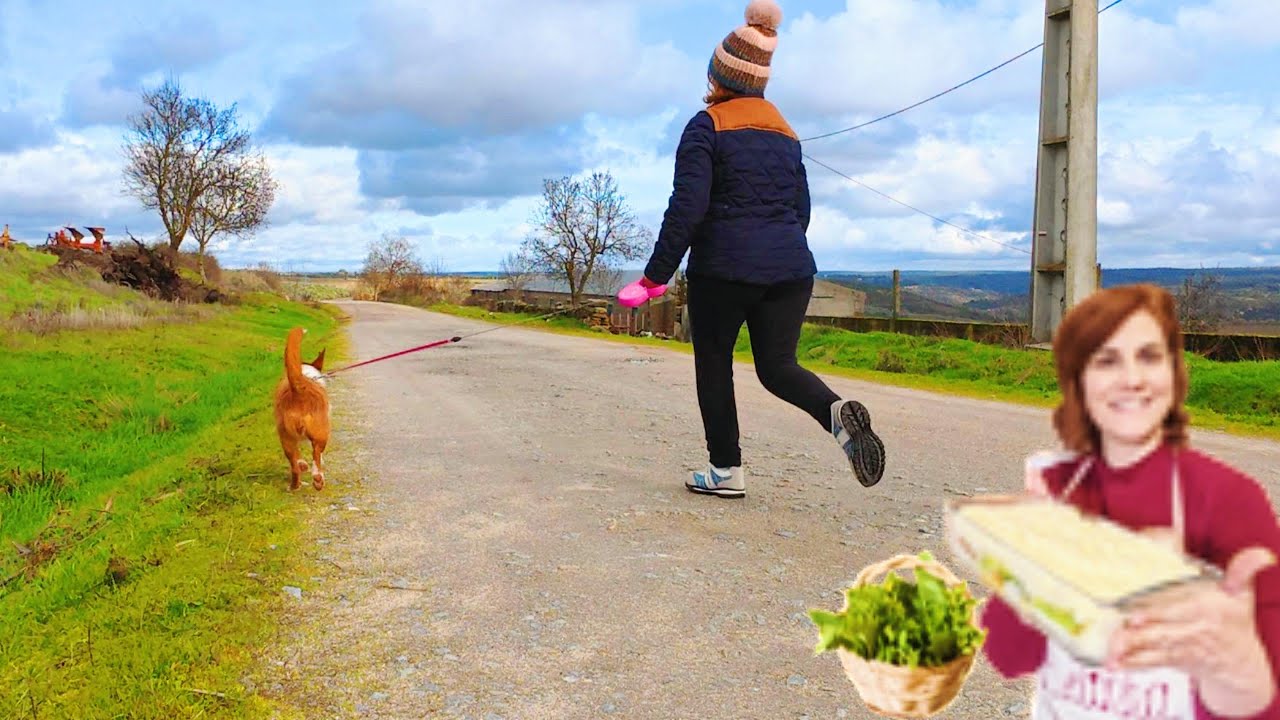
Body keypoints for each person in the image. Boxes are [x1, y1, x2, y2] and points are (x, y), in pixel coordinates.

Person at [981, 283, 1280, 719]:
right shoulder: (1061, 487)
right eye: (1106, 360)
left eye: (1149, 356)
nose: (1131, 378)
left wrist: (1236, 655)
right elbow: (1010, 655)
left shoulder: (1230, 502)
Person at [637, 0, 886, 499]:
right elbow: (802, 209)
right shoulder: (785, 132)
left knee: (714, 361)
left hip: (724, 272)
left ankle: (726, 470)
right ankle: (836, 414)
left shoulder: (706, 125)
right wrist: (781, 247)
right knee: (778, 366)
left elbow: (688, 208)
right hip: (791, 269)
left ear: (719, 74)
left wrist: (654, 277)